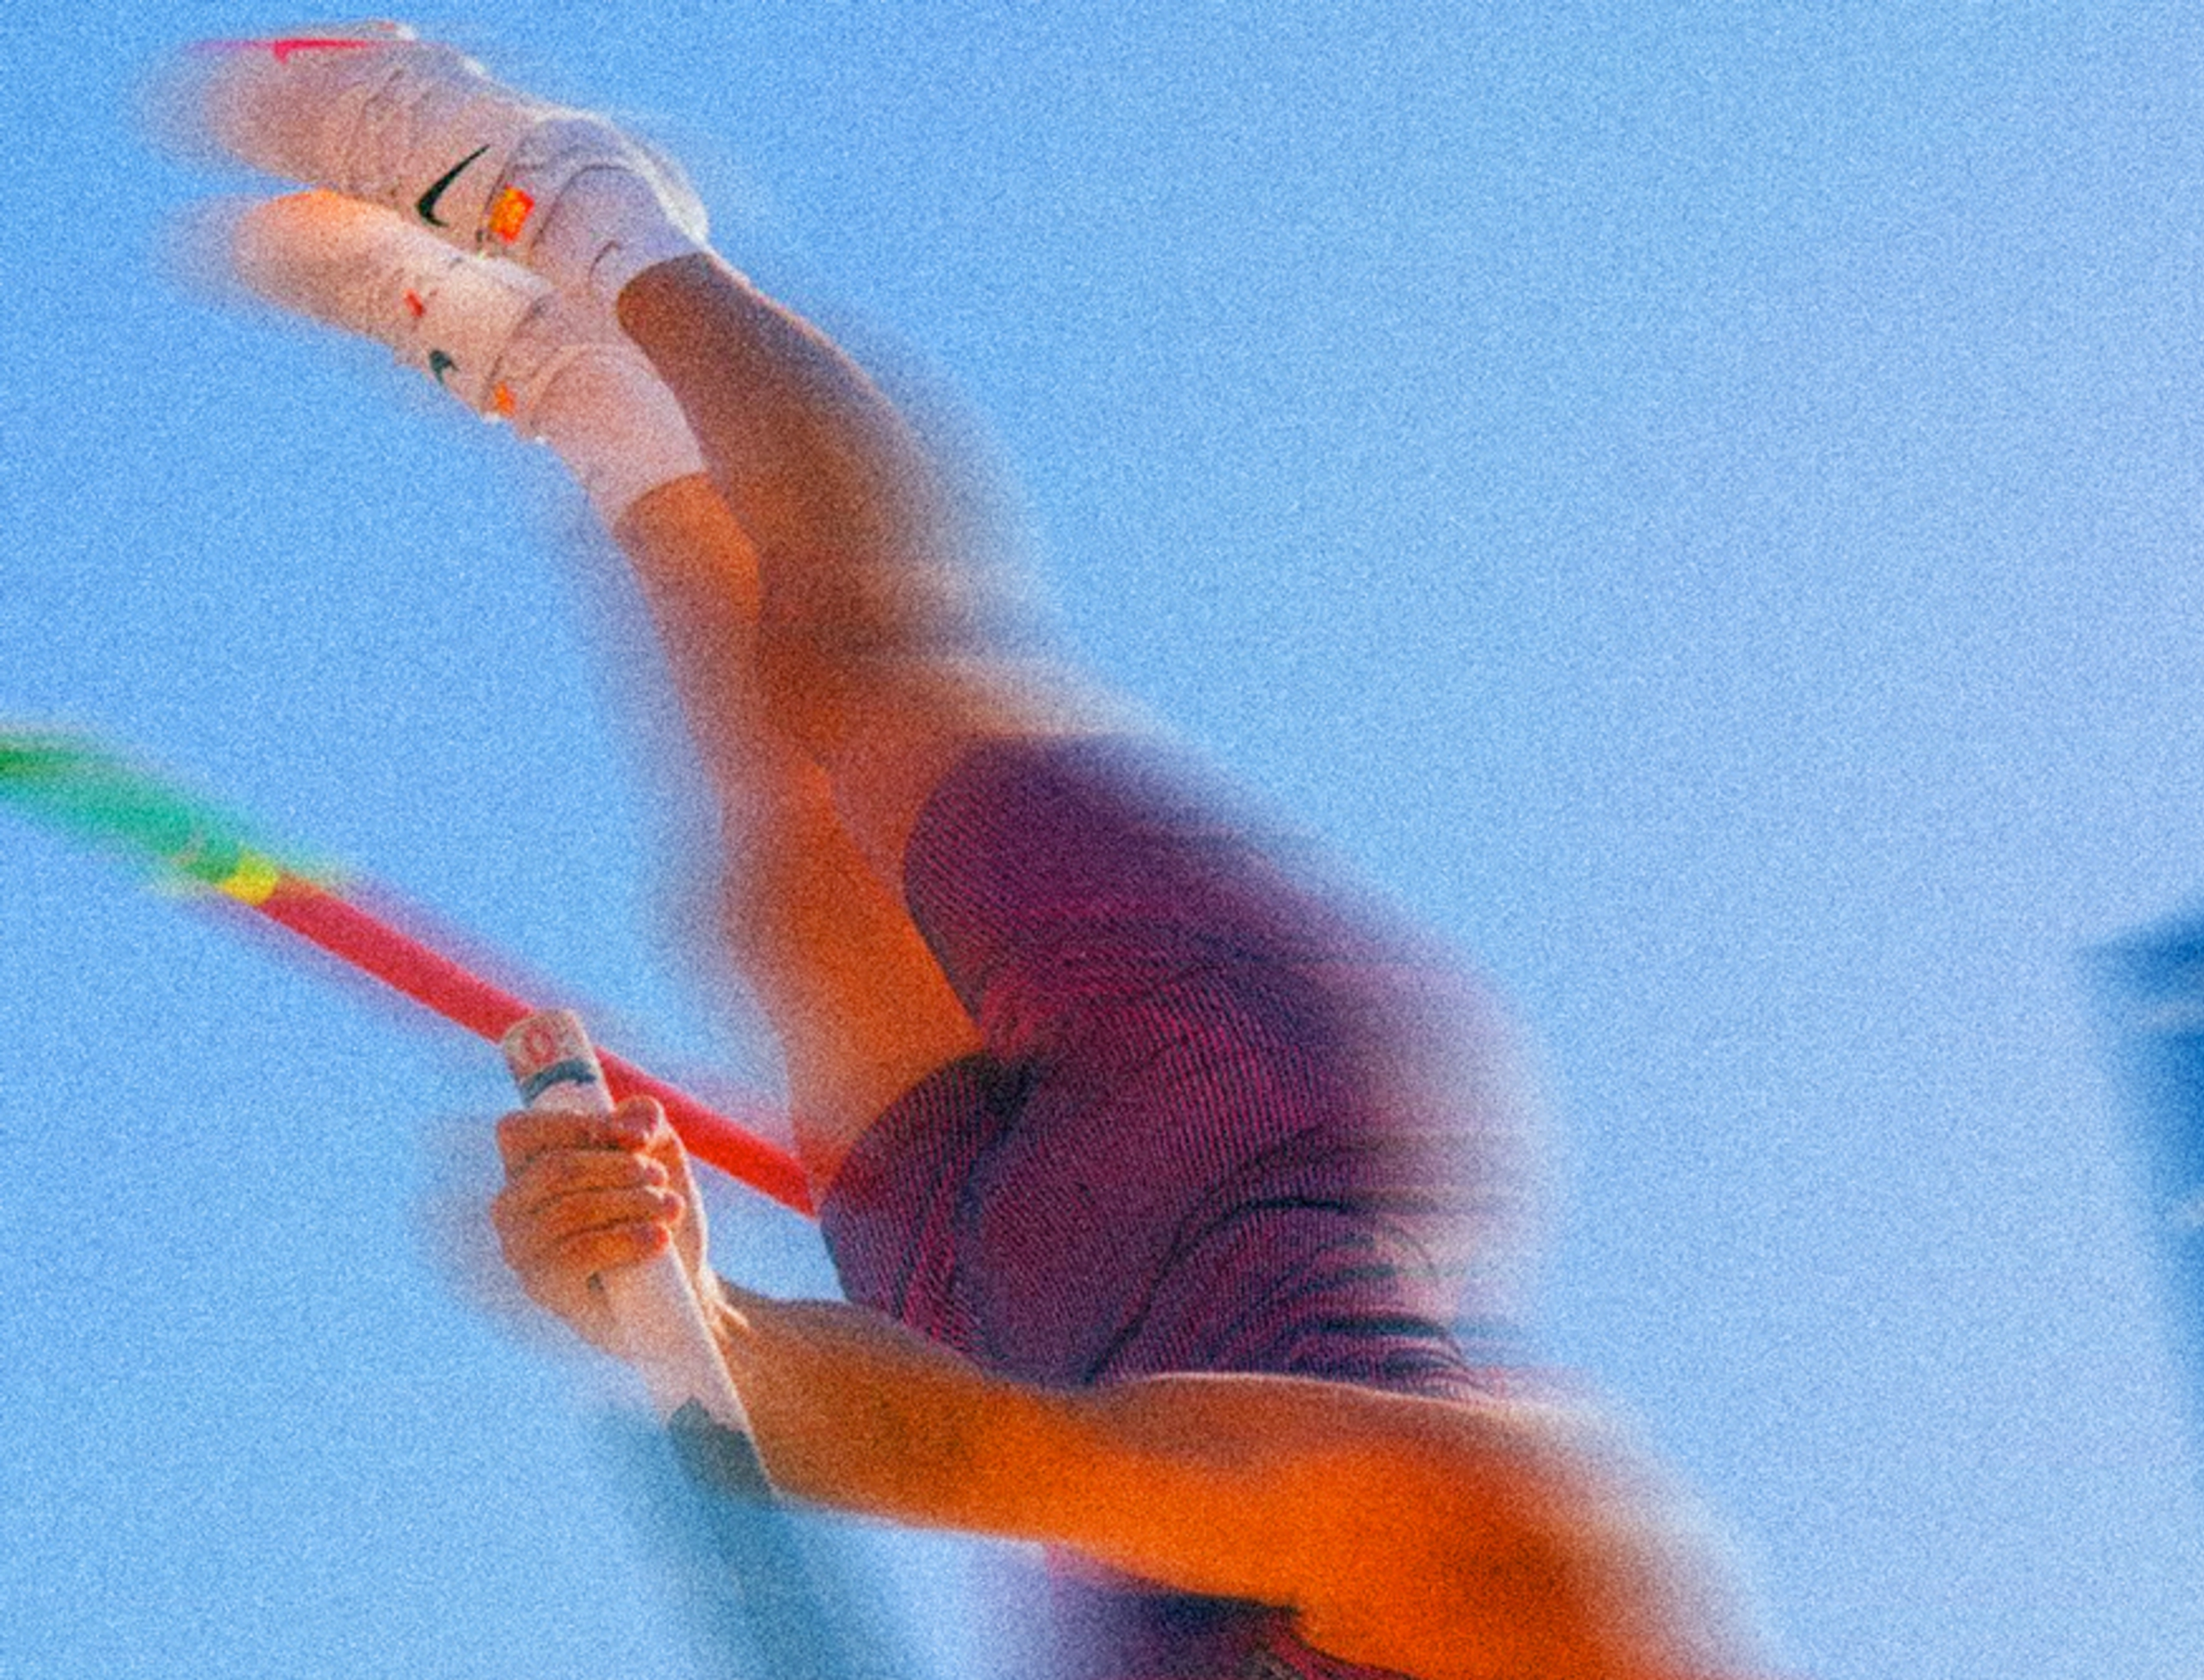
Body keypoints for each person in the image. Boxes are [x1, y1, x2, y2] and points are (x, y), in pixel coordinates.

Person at [163, 26, 1767, 1680]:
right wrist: (706, 1346)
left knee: (779, 891)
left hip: (982, 1290)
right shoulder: (1549, 1598)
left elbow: (961, 1443)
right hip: (1232, 1112)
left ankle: (582, 394)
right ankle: (582, 209)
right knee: (851, 665)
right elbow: (1010, 1459)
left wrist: (638, 1303)